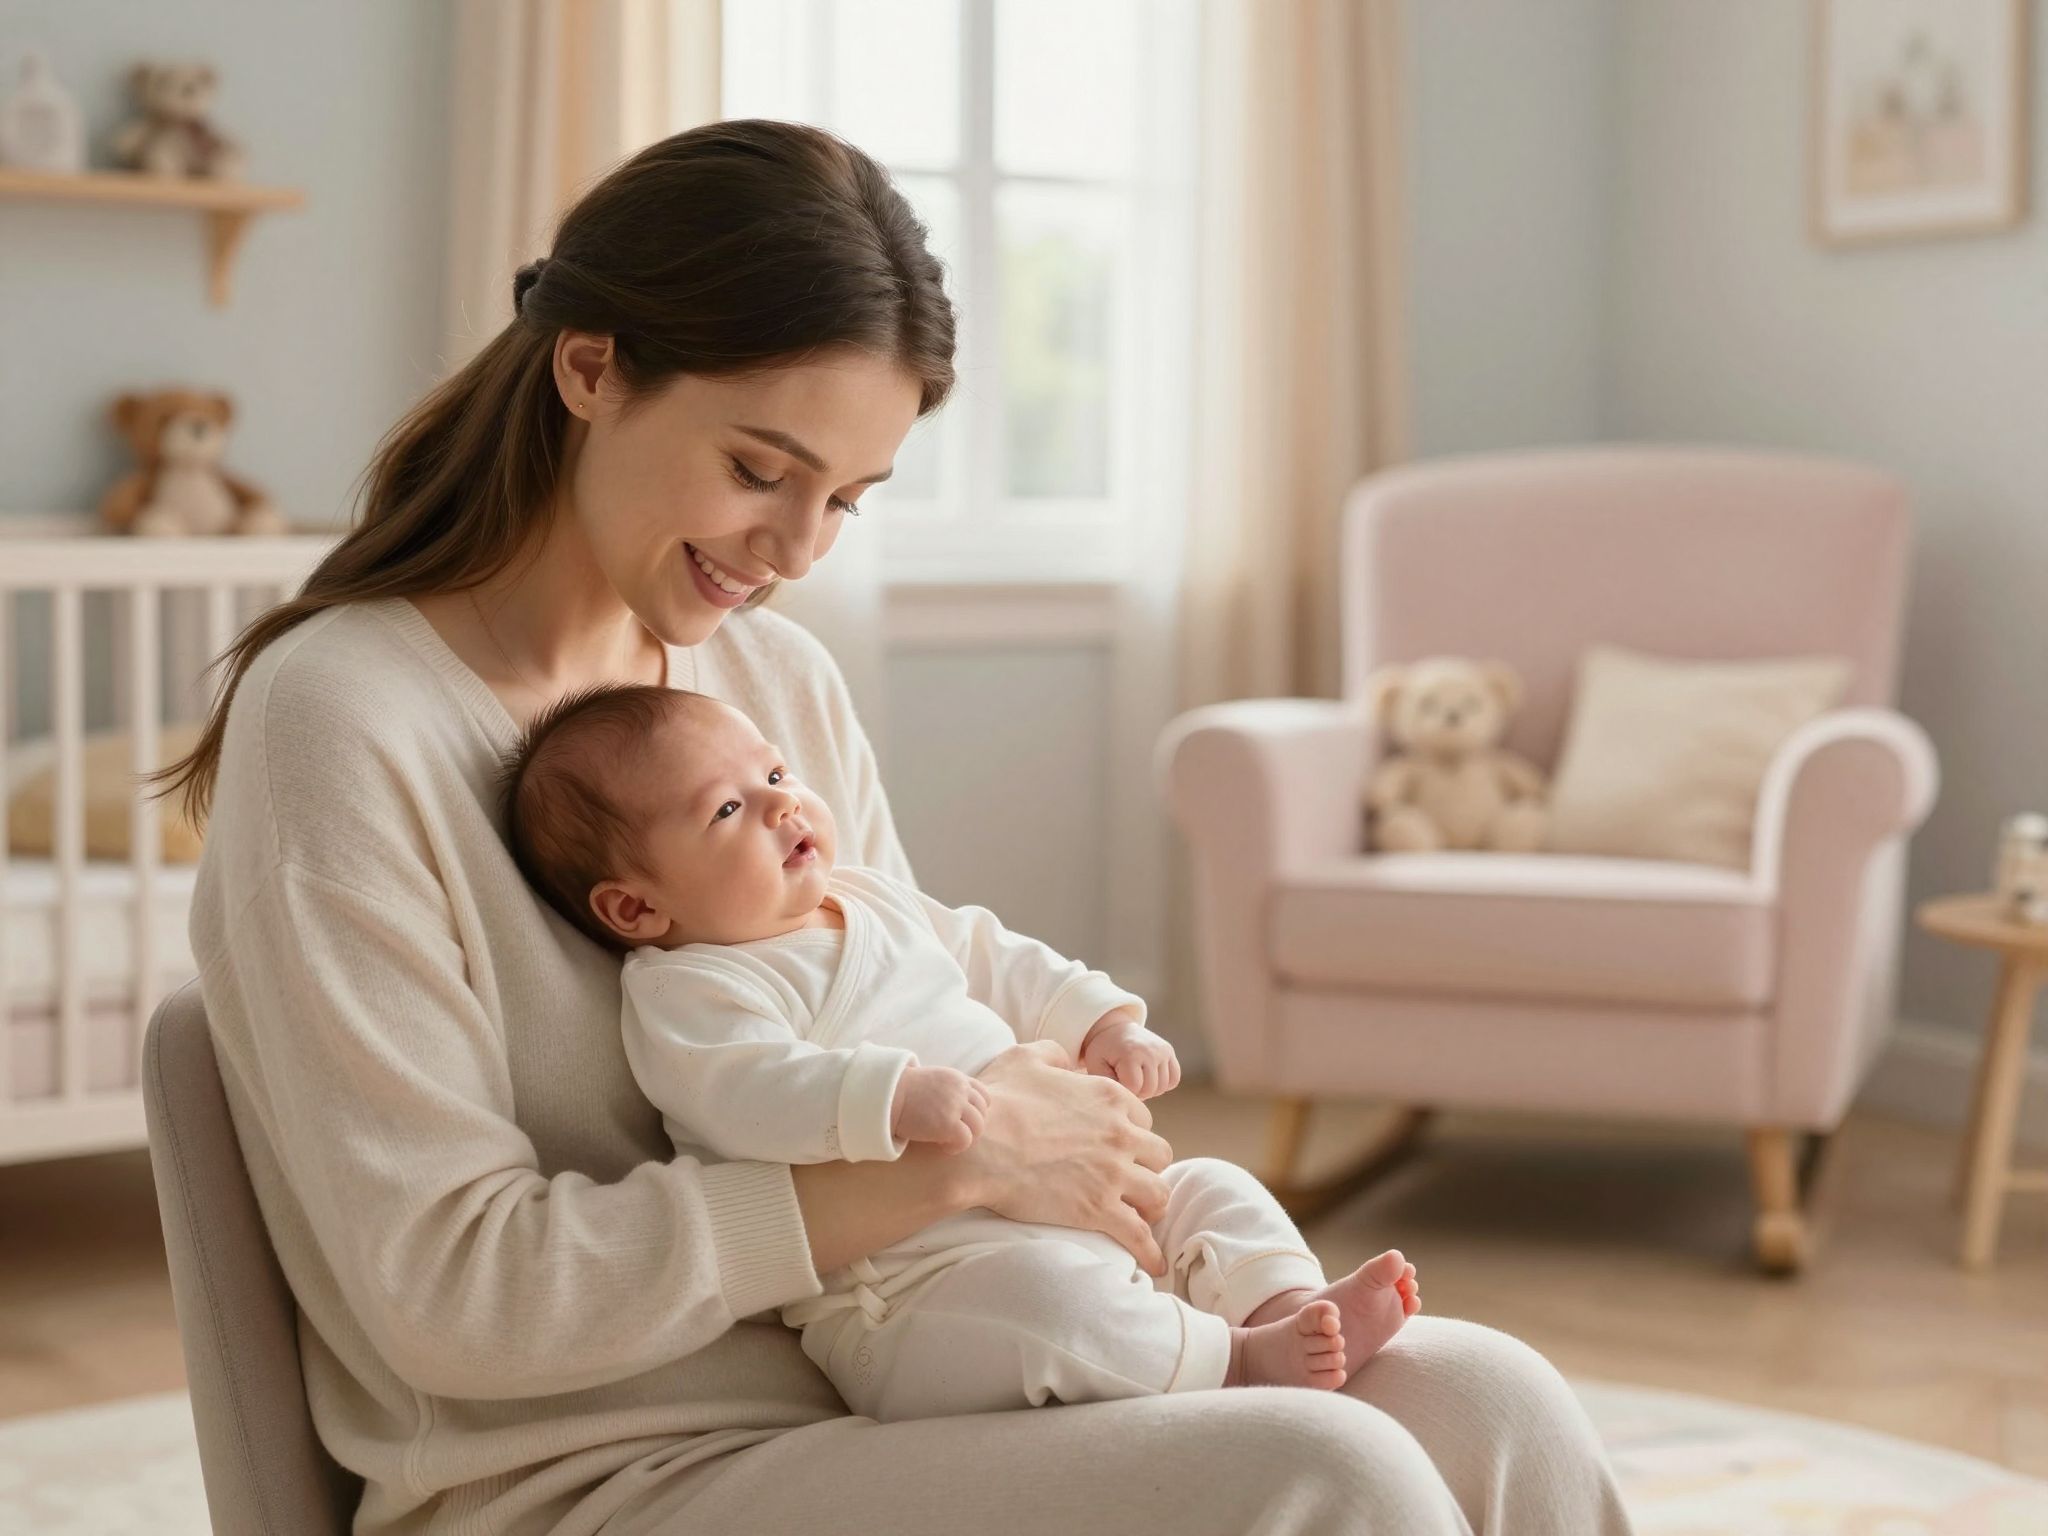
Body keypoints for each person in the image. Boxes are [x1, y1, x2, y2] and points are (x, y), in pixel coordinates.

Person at [167, 120, 1634, 1535]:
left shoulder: (767, 679)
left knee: (1487, 1399)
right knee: (1330, 1477)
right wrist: (950, 1166)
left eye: (847, 503)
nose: (796, 550)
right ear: (592, 368)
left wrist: (1076, 1193)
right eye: (759, 471)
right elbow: (448, 1290)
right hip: (590, 1481)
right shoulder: (344, 721)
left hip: (896, 1389)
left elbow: (914, 1007)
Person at [497, 683, 1423, 1421]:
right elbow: (742, 1090)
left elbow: (991, 952)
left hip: (1075, 1213)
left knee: (1212, 1187)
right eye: (730, 808)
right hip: (914, 1295)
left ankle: (1284, 1306)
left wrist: (1100, 1022)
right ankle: (1236, 1365)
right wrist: (888, 1096)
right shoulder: (693, 987)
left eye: (776, 774)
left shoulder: (867, 898)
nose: (783, 808)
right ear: (635, 908)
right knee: (1048, 1310)